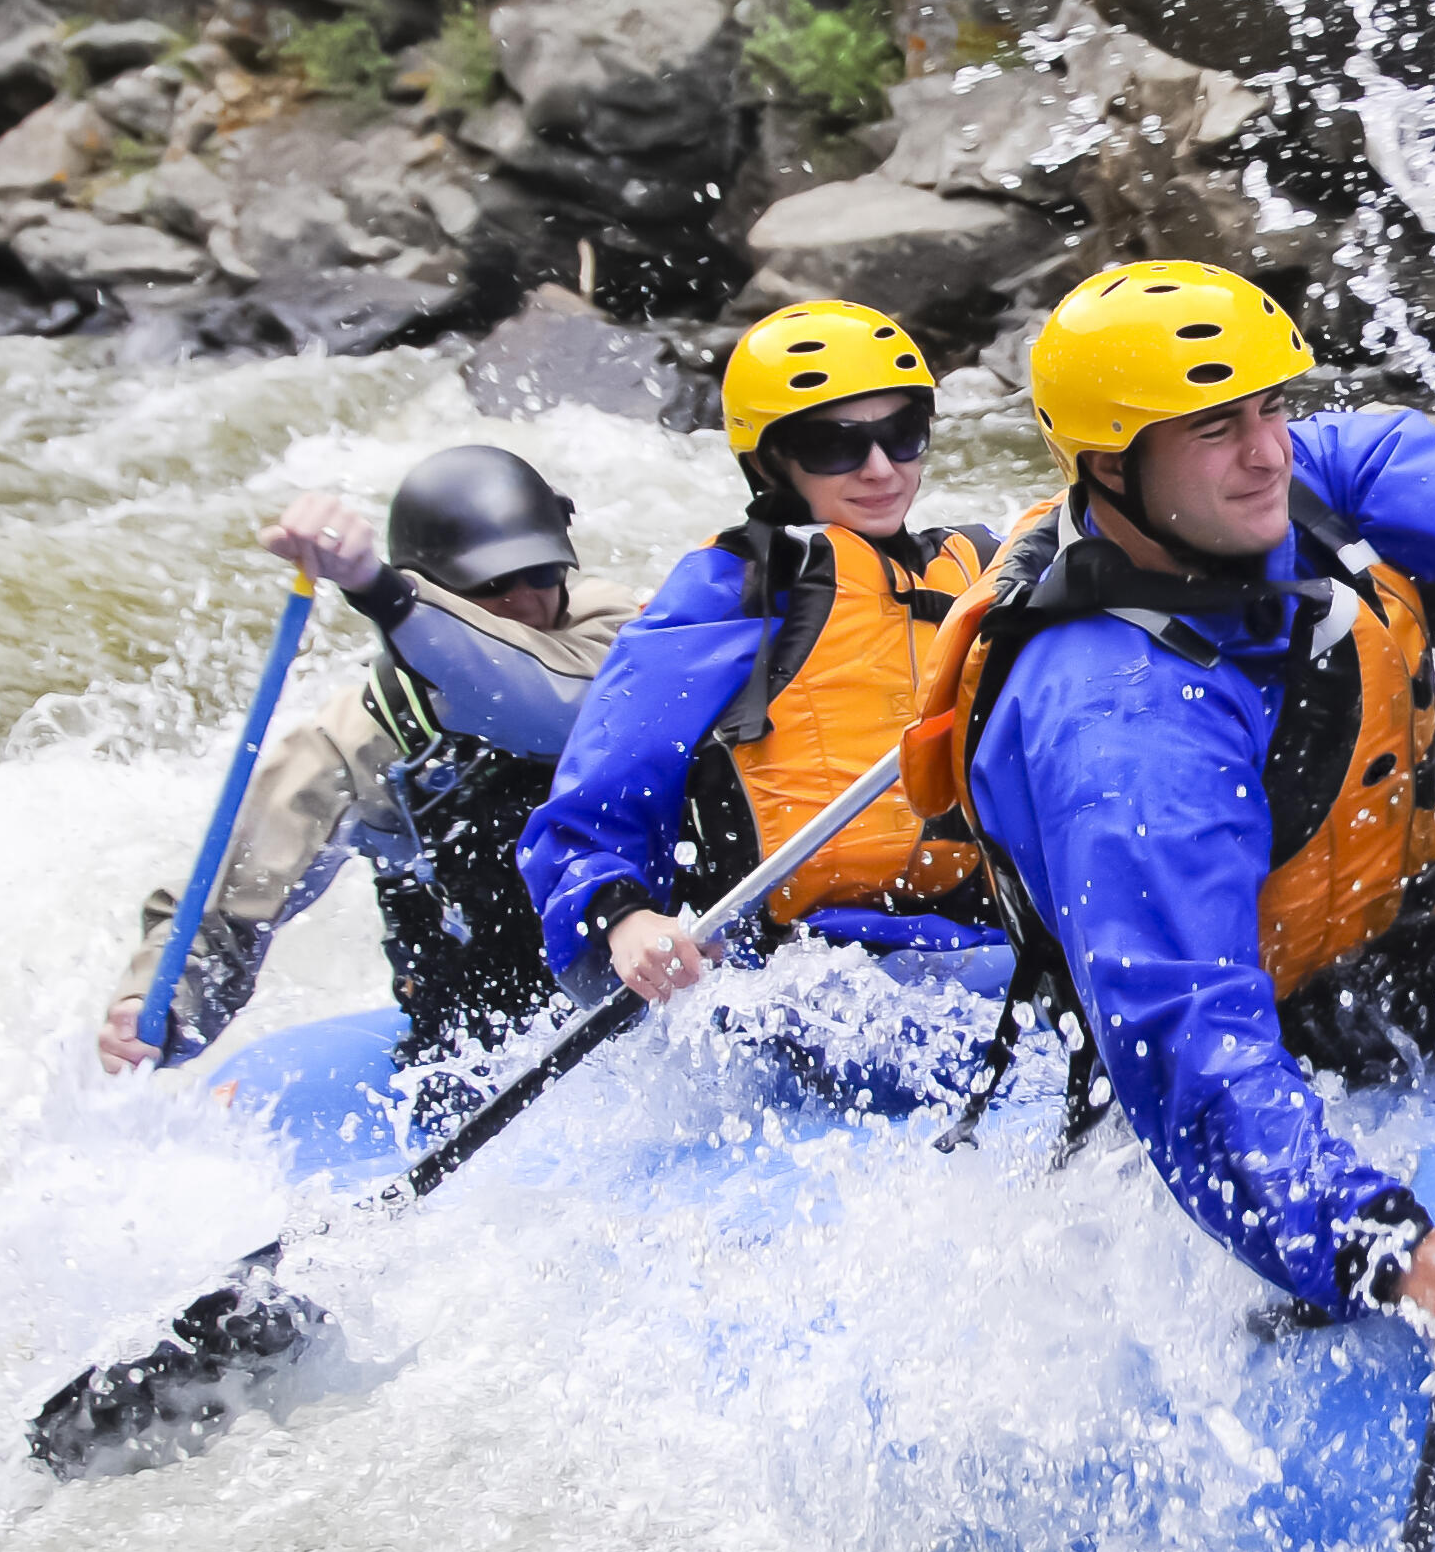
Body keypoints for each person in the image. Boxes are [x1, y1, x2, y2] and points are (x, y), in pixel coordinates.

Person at [908, 259, 1435, 1362]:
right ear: (1115, 464)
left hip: (1397, 913)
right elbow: (1188, 1043)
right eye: (1216, 428)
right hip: (1303, 1024)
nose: (1267, 450)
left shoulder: (1303, 482)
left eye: (1271, 408)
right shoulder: (1122, 727)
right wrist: (1384, 1249)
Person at [519, 299, 1002, 1016]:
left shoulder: (984, 571)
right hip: (803, 979)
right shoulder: (727, 595)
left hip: (982, 939)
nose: (880, 469)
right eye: (836, 446)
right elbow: (598, 795)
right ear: (772, 461)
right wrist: (623, 916)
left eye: (903, 435)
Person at [100, 445, 642, 1075]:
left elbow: (552, 701)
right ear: (436, 589)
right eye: (492, 585)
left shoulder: (614, 625)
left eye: (541, 573)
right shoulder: (361, 738)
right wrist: (158, 1005)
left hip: (647, 975)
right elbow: (228, 909)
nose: (524, 599)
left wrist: (381, 590)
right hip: (485, 1050)